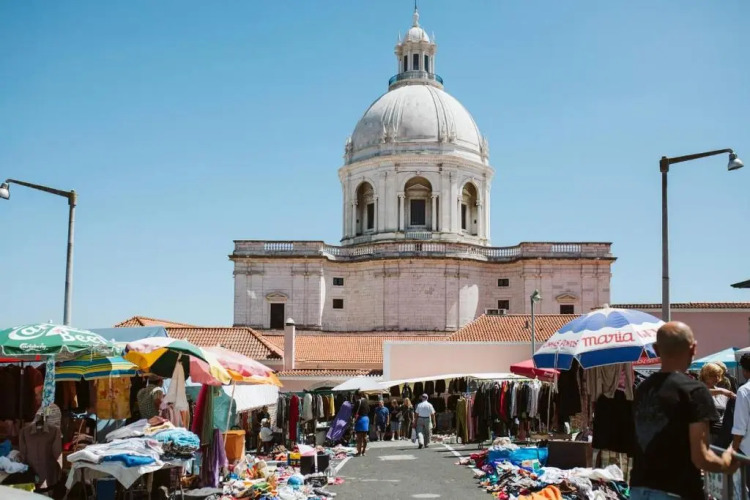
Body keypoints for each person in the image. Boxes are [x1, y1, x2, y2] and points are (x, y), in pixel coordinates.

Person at [630, 321, 736, 500]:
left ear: (656, 349)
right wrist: (727, 463)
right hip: (676, 490)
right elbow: (701, 457)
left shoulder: (643, 389)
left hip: (639, 488)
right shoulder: (694, 391)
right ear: (693, 348)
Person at [699, 362, 735, 445]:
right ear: (705, 375)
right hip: (706, 434)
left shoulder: (722, 392)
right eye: (713, 375)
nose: (717, 378)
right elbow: (702, 392)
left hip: (722, 434)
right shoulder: (699, 389)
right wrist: (721, 391)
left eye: (718, 375)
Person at [732, 353, 750, 488]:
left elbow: (740, 428)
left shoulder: (744, 391)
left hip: (747, 452)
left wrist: (733, 451)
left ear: (744, 371)